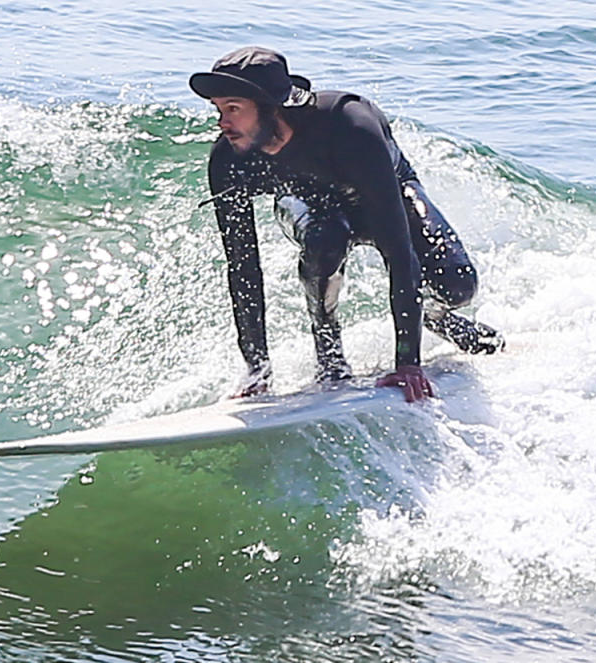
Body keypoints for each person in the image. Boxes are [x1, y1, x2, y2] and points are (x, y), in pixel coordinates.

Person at [190, 47, 503, 402]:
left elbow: (398, 249)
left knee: (459, 284)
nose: (222, 123)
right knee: (325, 241)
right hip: (311, 207)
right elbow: (243, 268)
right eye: (218, 109)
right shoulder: (230, 160)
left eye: (233, 109)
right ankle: (329, 354)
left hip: (386, 196)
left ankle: (434, 316)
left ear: (273, 106)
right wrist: (257, 368)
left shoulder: (350, 126)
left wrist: (408, 363)